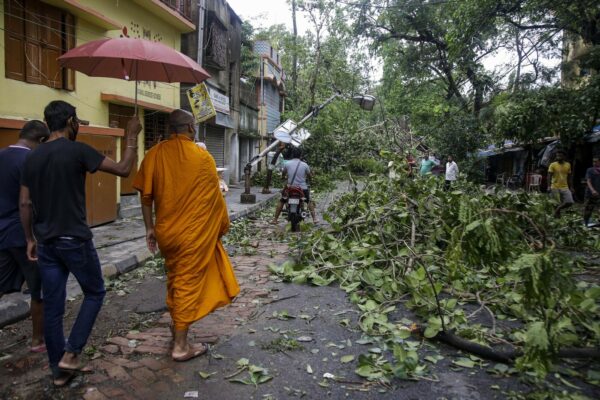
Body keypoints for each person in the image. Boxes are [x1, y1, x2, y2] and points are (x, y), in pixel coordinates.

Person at [19, 100, 142, 387]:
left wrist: (29, 239)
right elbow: (124, 169)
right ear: (72, 122)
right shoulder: (79, 150)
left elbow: (24, 202)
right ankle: (71, 353)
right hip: (74, 239)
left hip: (46, 243)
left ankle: (58, 371)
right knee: (96, 292)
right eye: (78, 123)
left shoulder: (32, 158)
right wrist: (132, 135)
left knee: (53, 306)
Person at [133, 109, 240, 362]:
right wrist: (220, 225)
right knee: (186, 283)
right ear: (190, 128)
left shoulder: (154, 154)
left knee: (176, 277)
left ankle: (177, 326)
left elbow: (145, 197)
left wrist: (149, 227)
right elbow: (214, 199)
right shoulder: (202, 157)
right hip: (192, 235)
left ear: (171, 129)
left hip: (167, 233)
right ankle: (180, 346)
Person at [0, 121, 49, 354]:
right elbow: (27, 202)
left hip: (1, 233)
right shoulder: (30, 161)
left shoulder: (1, 155)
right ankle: (37, 340)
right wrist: (31, 236)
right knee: (38, 287)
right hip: (22, 233)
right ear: (40, 141)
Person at [271, 146, 317, 224]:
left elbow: (283, 174)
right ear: (300, 155)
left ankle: (275, 219)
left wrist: (283, 177)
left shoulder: (287, 164)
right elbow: (309, 176)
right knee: (308, 201)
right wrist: (311, 180)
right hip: (302, 188)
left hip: (290, 188)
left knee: (282, 201)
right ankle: (314, 219)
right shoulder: (305, 165)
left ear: (292, 155)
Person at [547, 150, 574, 217]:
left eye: (560, 156)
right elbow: (549, 176)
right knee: (555, 204)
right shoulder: (553, 165)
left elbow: (569, 177)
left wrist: (571, 187)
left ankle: (558, 209)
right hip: (554, 186)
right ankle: (557, 218)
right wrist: (548, 186)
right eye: (557, 155)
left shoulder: (568, 165)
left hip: (565, 187)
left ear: (564, 156)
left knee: (569, 202)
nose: (558, 157)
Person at [583, 157, 600, 227]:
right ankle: (585, 223)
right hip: (591, 194)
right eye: (593, 162)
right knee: (588, 209)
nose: (594, 163)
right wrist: (592, 190)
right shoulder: (590, 170)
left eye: (596, 162)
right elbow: (588, 181)